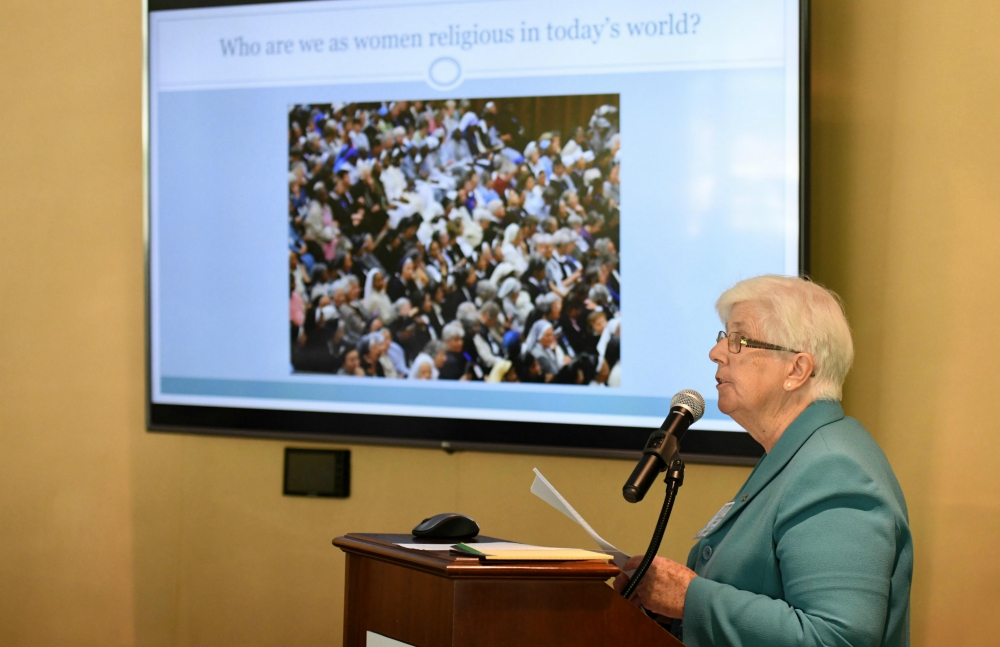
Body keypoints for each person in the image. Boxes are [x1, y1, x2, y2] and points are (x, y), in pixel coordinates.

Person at [613, 275, 911, 647]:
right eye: (722, 337)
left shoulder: (834, 470)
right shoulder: (799, 452)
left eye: (737, 340)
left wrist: (690, 599)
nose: (716, 352)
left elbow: (835, 639)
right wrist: (668, 608)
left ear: (797, 371)